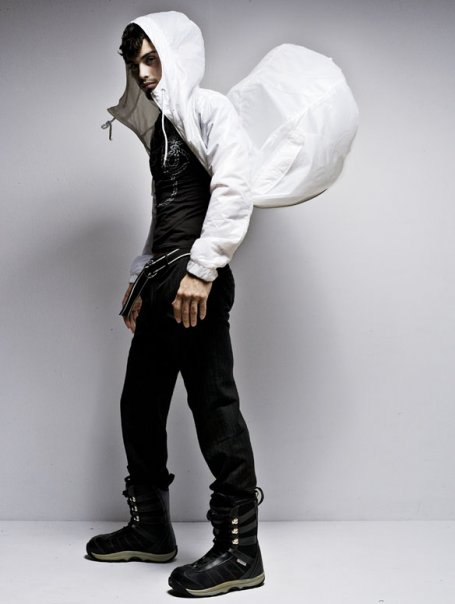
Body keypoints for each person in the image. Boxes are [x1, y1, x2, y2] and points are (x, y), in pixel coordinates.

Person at [86, 11, 264, 598]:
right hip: (163, 281)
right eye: (134, 62)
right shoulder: (164, 127)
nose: (142, 72)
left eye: (151, 58)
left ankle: (241, 550)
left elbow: (234, 187)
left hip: (193, 283)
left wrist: (203, 271)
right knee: (138, 405)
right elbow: (166, 214)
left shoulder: (210, 108)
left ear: (176, 54)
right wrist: (139, 280)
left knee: (214, 408)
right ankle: (152, 529)